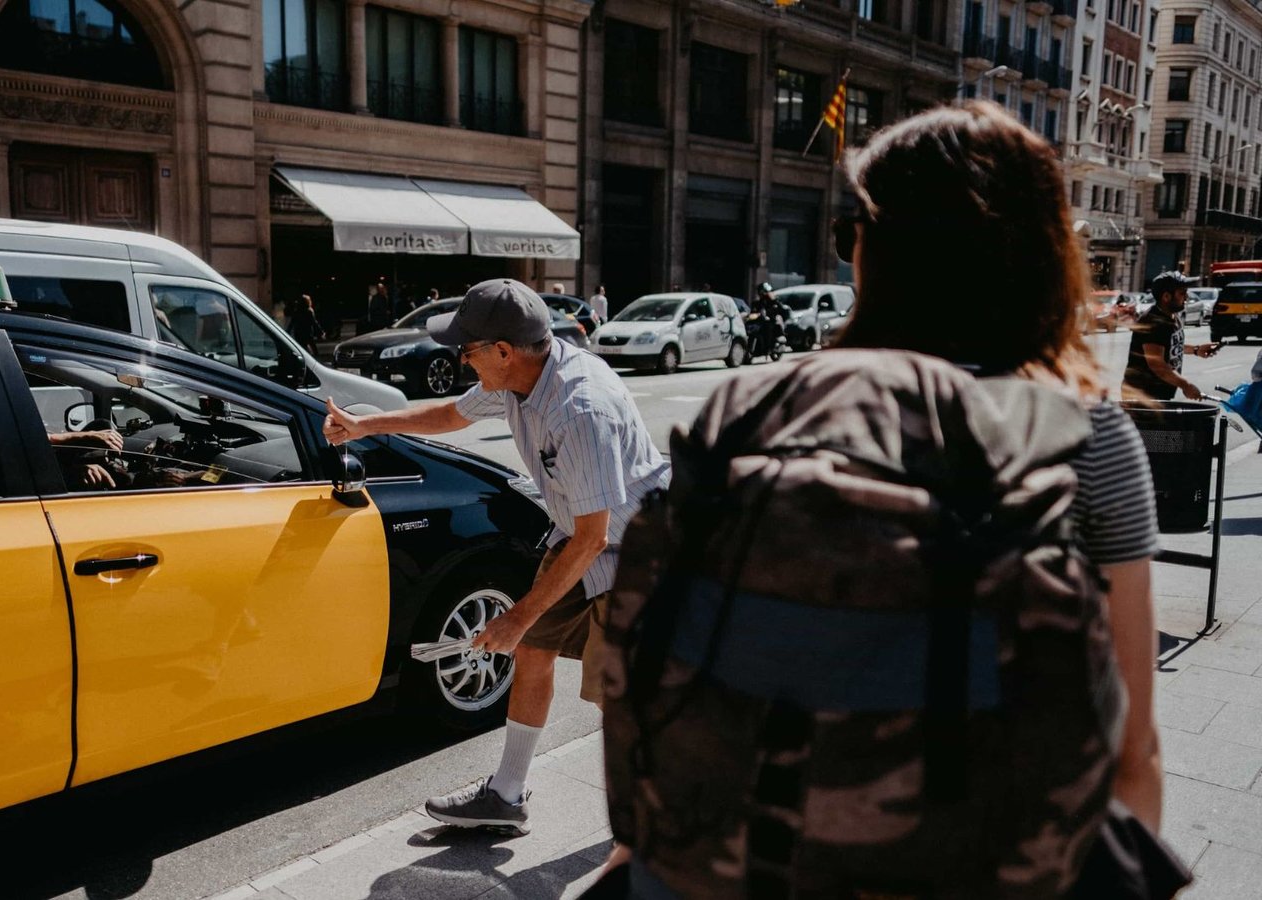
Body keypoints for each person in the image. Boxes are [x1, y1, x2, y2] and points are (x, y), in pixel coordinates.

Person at [601, 101, 1165, 895]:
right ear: (1039, 254)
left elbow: (668, 691)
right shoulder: (1082, 437)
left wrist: (636, 865)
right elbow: (1130, 754)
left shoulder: (745, 413)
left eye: (850, 231)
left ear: (873, 251)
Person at [322, 278, 669, 833]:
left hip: (641, 550)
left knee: (618, 692)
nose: (460, 358)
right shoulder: (516, 378)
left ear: (504, 351)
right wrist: (367, 426)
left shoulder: (580, 408)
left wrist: (517, 613)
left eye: (468, 349)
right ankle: (507, 797)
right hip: (585, 531)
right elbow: (451, 416)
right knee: (533, 649)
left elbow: (592, 540)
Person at [1123, 270, 1220, 401]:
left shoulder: (1173, 316)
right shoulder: (1153, 322)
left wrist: (1196, 350)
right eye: (1182, 293)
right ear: (1166, 297)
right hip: (1143, 396)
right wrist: (1186, 385)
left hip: (1159, 395)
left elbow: (1168, 346)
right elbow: (1157, 364)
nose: (1186, 297)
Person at [747, 281, 790, 357]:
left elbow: (779, 309)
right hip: (760, 321)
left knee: (768, 328)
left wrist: (771, 314)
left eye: (763, 291)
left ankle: (769, 348)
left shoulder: (774, 301)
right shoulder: (758, 302)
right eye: (761, 292)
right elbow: (754, 311)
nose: (762, 293)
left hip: (771, 321)